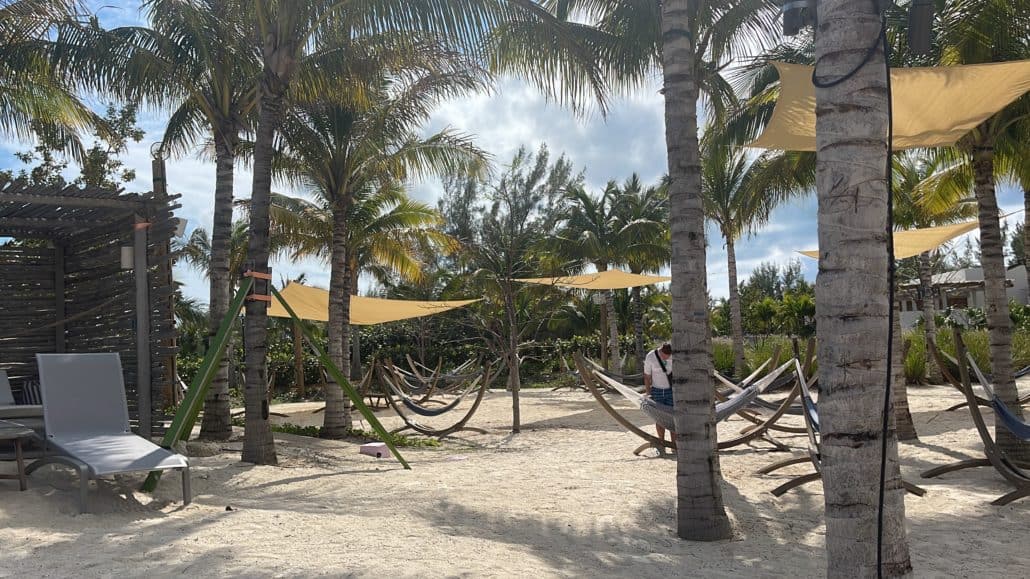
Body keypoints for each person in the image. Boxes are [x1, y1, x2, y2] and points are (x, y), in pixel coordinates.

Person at [643, 342, 674, 445]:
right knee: (659, 419)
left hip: (672, 391)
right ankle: (662, 443)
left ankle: (674, 445)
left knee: (673, 418)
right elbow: (647, 376)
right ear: (660, 352)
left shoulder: (674, 355)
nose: (667, 359)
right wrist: (648, 393)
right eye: (665, 357)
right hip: (657, 391)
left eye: (668, 357)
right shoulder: (651, 356)